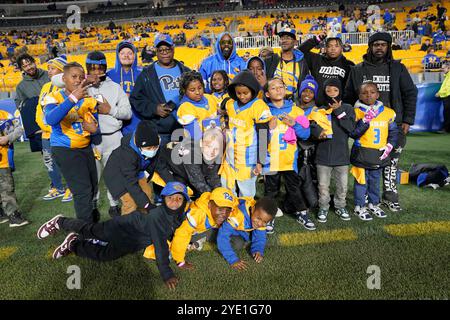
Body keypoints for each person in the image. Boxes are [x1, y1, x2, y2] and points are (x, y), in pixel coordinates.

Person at [37, 182, 189, 290]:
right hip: (121, 227)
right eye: (171, 197)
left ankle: (74, 245)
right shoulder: (158, 216)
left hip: (133, 241)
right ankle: (60, 221)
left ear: (184, 202)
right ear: (163, 198)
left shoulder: (178, 216)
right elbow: (160, 245)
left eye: (179, 199)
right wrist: (167, 273)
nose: (175, 201)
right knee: (90, 230)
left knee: (106, 255)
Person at [344, 32, 417, 212]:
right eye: (376, 44)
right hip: (366, 129)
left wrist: (407, 119)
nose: (379, 47)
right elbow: (347, 97)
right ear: (370, 46)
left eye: (383, 44)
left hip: (392, 125)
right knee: (366, 165)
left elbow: (410, 93)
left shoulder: (398, 68)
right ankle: (366, 198)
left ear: (388, 47)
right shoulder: (358, 69)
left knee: (391, 164)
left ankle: (390, 197)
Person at [42, 62, 100, 223]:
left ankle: (92, 227)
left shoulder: (86, 98)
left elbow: (97, 118)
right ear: (64, 79)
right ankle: (85, 234)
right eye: (73, 77)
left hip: (85, 148)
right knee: (83, 191)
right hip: (65, 149)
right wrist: (73, 98)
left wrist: (94, 127)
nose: (77, 80)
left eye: (81, 77)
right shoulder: (54, 96)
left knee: (93, 188)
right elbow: (51, 119)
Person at [85, 51, 133, 218]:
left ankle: (114, 205)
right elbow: (60, 81)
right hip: (91, 140)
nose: (97, 72)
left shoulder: (115, 87)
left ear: (105, 67)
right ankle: (93, 206)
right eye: (92, 68)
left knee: (115, 175)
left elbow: (127, 113)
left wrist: (110, 110)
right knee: (93, 177)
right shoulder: (82, 87)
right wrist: (84, 83)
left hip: (113, 137)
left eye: (100, 68)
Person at [262, 78, 310, 233]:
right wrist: (268, 129)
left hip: (290, 160)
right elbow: (260, 138)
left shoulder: (296, 111)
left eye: (280, 87)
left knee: (294, 188)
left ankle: (302, 213)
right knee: (270, 191)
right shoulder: (264, 111)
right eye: (273, 88)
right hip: (271, 160)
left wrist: (294, 124)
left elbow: (306, 134)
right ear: (268, 94)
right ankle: (269, 216)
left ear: (285, 89)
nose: (278, 90)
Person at [220, 70, 275, 198]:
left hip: (248, 158)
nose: (242, 96)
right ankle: (231, 215)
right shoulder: (230, 104)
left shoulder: (258, 106)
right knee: (227, 187)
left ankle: (246, 214)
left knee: (246, 192)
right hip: (230, 155)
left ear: (253, 90)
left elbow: (263, 134)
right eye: (239, 93)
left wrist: (260, 161)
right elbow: (224, 109)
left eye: (245, 93)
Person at [130, 34, 190, 147]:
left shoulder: (186, 71)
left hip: (185, 128)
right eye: (161, 50)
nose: (164, 52)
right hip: (161, 131)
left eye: (167, 49)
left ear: (173, 49)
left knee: (186, 162)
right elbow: (136, 99)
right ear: (156, 52)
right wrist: (154, 108)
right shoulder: (147, 73)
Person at [350, 82, 399, 221]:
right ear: (359, 95)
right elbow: (353, 133)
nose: (368, 95)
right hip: (362, 151)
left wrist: (390, 144)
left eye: (372, 92)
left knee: (375, 181)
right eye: (364, 92)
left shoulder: (387, 112)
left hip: (379, 153)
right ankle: (359, 206)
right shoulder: (356, 112)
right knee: (361, 181)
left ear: (378, 94)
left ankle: (374, 204)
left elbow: (394, 131)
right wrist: (365, 120)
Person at [315, 78, 355, 223]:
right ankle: (323, 207)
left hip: (341, 156)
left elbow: (351, 129)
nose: (332, 94)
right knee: (323, 186)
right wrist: (317, 132)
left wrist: (338, 111)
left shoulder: (348, 108)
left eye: (335, 90)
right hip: (323, 156)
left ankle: (340, 206)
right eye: (328, 90)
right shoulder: (319, 109)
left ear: (340, 91)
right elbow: (312, 127)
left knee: (342, 186)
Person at [168, 187, 237, 269]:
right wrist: (180, 261)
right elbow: (182, 234)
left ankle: (194, 243)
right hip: (172, 226)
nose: (224, 214)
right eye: (220, 209)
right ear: (210, 205)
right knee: (167, 251)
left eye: (228, 210)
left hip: (195, 229)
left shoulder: (215, 211)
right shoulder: (198, 213)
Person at [35, 55, 72, 202]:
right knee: (49, 161)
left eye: (52, 68)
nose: (48, 71)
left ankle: (71, 187)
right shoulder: (45, 87)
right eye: (48, 68)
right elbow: (39, 109)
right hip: (46, 133)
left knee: (67, 162)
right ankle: (57, 187)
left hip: (63, 133)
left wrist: (52, 126)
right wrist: (45, 126)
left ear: (62, 70)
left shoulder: (66, 87)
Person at [103, 120, 160, 215]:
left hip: (135, 170)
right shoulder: (128, 154)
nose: (153, 150)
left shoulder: (154, 142)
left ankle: (145, 223)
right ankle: (126, 227)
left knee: (147, 195)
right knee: (131, 203)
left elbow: (161, 168)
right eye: (149, 149)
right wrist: (146, 205)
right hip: (117, 175)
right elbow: (130, 183)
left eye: (154, 147)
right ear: (139, 146)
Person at [156, 128, 223, 197]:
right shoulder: (191, 155)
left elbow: (212, 176)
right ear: (201, 143)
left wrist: (220, 192)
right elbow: (198, 182)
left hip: (184, 168)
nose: (212, 152)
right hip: (162, 162)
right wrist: (214, 197)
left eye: (216, 148)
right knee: (178, 190)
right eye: (208, 146)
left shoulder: (216, 156)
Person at [217, 197, 277, 270]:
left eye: (265, 222)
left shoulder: (259, 213)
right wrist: (233, 260)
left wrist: (257, 250)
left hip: (235, 227)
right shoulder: (238, 215)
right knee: (237, 243)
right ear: (252, 209)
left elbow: (260, 236)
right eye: (258, 218)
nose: (260, 223)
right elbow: (222, 236)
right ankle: (206, 234)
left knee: (242, 240)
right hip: (216, 223)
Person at [298, 31, 355, 106]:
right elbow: (299, 51)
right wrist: (316, 40)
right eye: (329, 46)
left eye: (336, 46)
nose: (333, 49)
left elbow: (350, 89)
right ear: (325, 48)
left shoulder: (349, 65)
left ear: (341, 48)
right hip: (317, 107)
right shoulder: (317, 59)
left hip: (338, 107)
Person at [14, 53, 50, 152]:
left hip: (54, 114)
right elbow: (20, 105)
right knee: (47, 156)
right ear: (22, 69)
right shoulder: (21, 86)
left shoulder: (48, 75)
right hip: (39, 122)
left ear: (35, 62)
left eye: (30, 64)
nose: (29, 67)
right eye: (25, 66)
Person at [263, 27, 309, 104]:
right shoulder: (270, 60)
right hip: (272, 104)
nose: (284, 40)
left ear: (295, 42)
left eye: (288, 38)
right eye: (282, 38)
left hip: (295, 104)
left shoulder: (302, 62)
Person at [0, 107, 29, 227]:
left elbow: (19, 130)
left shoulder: (5, 115)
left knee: (7, 188)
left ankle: (13, 214)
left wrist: (7, 138)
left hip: (3, 161)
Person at [176, 71, 220, 140]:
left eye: (200, 88)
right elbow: (195, 136)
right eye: (192, 90)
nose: (197, 92)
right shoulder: (185, 108)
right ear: (184, 90)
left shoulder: (210, 98)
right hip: (200, 146)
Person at [436, 61, 450, 133]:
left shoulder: (449, 76)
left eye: (443, 68)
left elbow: (448, 88)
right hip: (446, 96)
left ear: (448, 68)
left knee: (447, 114)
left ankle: (446, 129)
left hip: (448, 97)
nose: (442, 70)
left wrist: (439, 93)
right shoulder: (447, 76)